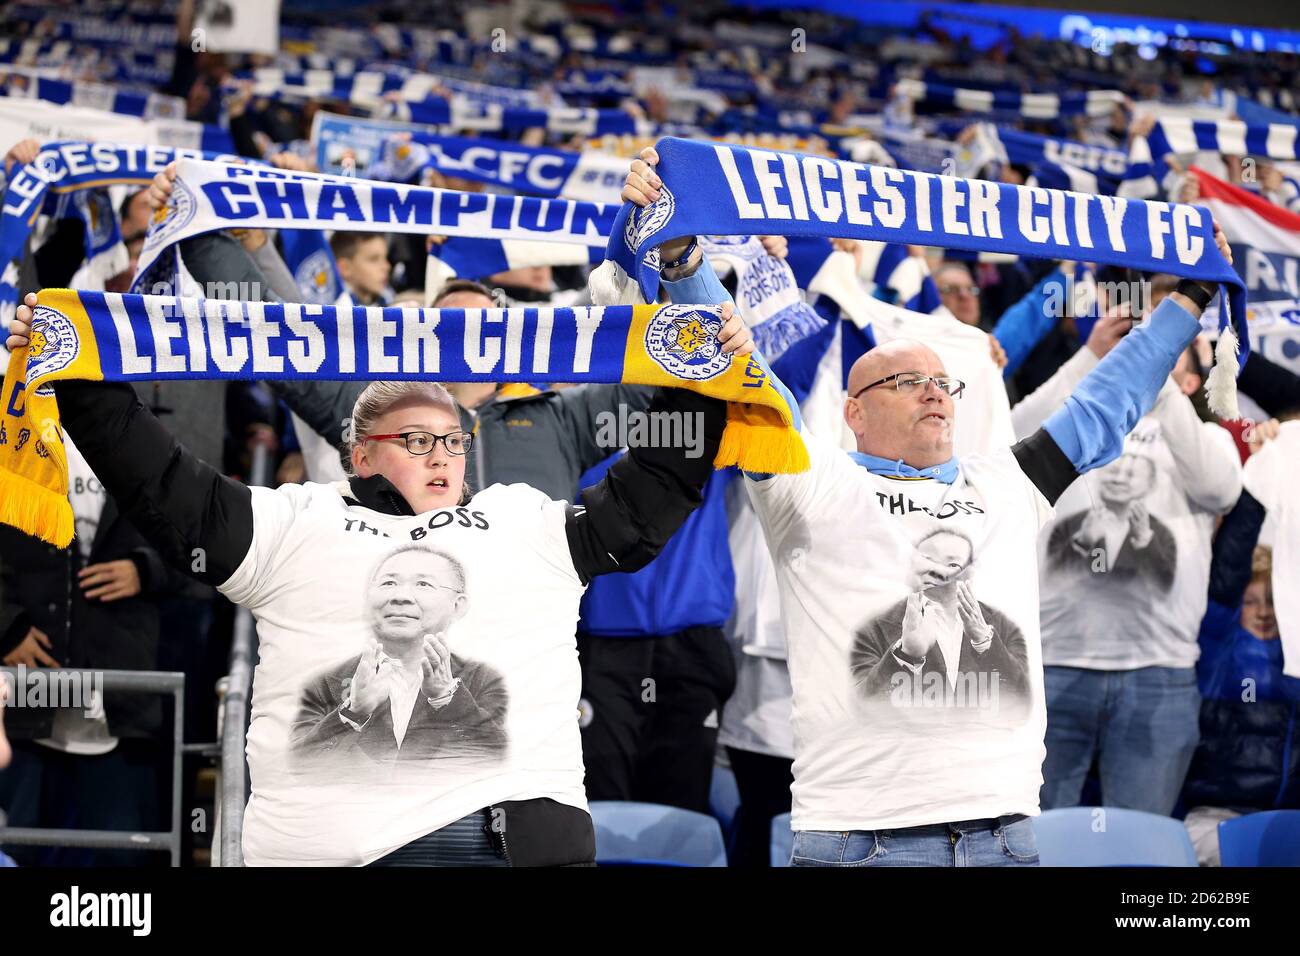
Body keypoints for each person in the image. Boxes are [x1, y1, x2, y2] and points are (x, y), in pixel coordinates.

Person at [621, 145, 1235, 867]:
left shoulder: (1004, 484)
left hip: (1004, 834)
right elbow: (741, 372)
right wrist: (681, 249)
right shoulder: (810, 480)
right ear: (853, 411)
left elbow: (1106, 403)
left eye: (941, 382)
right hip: (861, 840)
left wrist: (1188, 301)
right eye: (906, 380)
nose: (934, 391)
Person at [7, 281, 751, 866]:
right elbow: (156, 480)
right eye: (415, 439)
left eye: (453, 442)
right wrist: (76, 367)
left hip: (512, 844)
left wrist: (708, 381)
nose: (440, 457)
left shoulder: (526, 519)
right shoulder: (291, 520)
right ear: (359, 454)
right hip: (334, 852)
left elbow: (655, 491)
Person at [291, 546, 508, 771]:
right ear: (366, 598)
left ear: (458, 605)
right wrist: (353, 712)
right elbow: (294, 768)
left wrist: (446, 698)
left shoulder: (485, 681)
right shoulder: (322, 684)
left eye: (423, 584)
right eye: (388, 583)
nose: (401, 597)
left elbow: (501, 763)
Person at [330, 232, 392, 307]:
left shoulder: (387, 300)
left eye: (385, 258)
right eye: (374, 259)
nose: (386, 267)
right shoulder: (334, 309)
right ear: (345, 268)